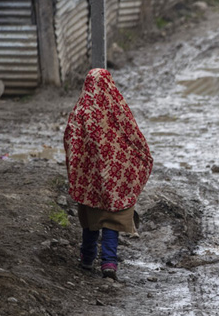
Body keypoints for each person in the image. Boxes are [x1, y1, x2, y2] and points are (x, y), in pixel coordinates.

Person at [64, 68, 153, 281]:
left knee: (91, 221)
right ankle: (109, 264)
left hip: (90, 181)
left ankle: (87, 259)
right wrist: (142, 158)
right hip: (115, 182)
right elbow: (134, 137)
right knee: (111, 222)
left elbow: (70, 141)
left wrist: (81, 170)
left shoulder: (81, 111)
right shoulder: (117, 109)